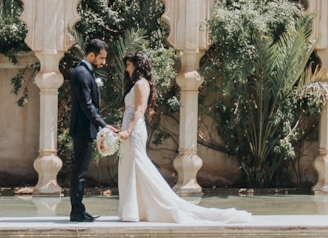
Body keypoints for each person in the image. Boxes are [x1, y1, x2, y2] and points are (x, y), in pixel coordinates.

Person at [116, 51, 250, 225]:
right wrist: (120, 128)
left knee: (137, 166)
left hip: (134, 132)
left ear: (137, 65)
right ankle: (135, 209)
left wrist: (127, 131)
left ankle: (143, 208)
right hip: (130, 130)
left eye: (129, 64)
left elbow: (139, 110)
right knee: (130, 166)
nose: (127, 69)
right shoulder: (138, 84)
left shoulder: (141, 84)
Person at [68, 38, 113, 222]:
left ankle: (79, 209)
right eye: (101, 58)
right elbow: (87, 106)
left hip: (84, 129)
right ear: (91, 55)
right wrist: (103, 125)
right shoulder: (82, 74)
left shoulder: (85, 72)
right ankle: (76, 212)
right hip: (82, 129)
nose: (104, 62)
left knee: (80, 172)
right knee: (79, 173)